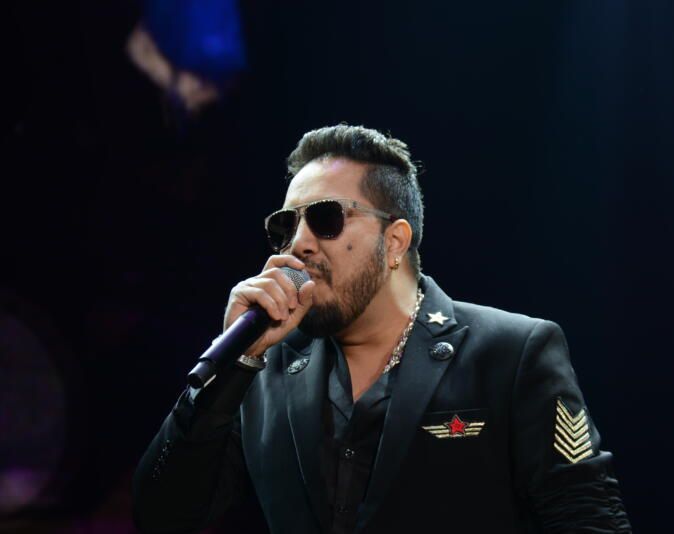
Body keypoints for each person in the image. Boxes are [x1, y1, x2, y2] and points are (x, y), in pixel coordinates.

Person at [132, 125, 631, 533]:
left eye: (325, 219)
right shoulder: (265, 370)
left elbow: (589, 520)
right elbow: (163, 516)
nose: (299, 243)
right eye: (286, 226)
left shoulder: (510, 352)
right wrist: (234, 365)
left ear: (394, 242)